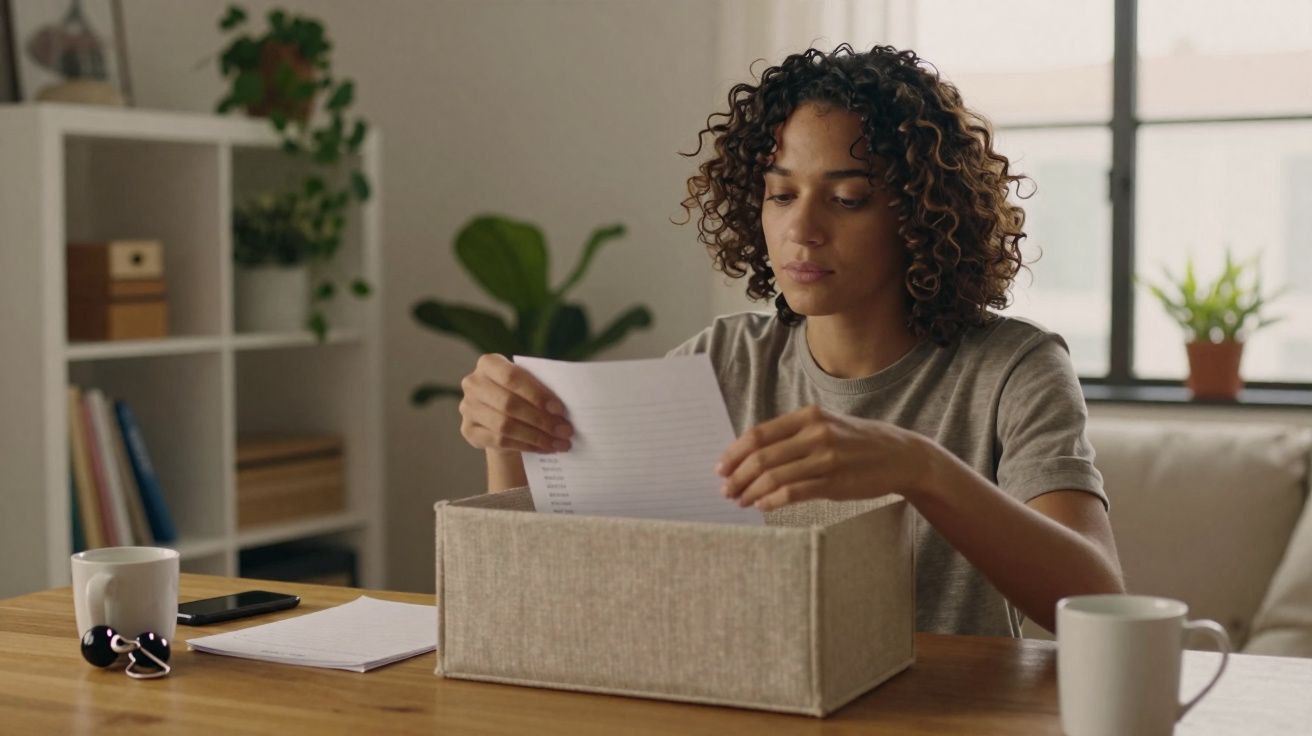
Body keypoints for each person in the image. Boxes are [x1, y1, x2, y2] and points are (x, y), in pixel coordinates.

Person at [456, 44, 1124, 637]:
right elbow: (551, 584)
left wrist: (922, 469)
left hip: (946, 714)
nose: (802, 230)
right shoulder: (720, 362)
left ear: (921, 214)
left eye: (848, 198)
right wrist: (510, 440)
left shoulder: (1014, 368)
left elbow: (1097, 598)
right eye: (780, 195)